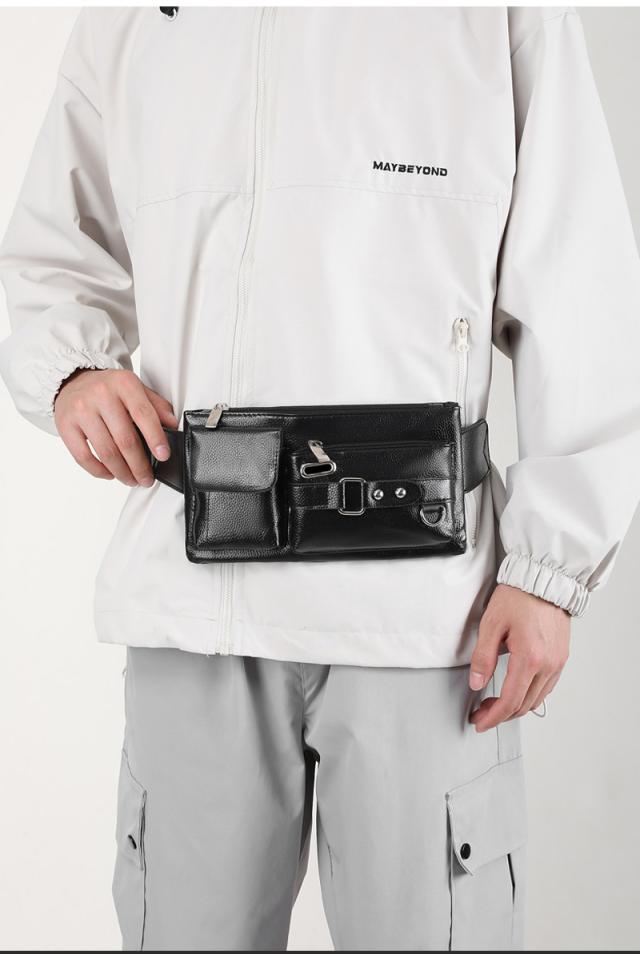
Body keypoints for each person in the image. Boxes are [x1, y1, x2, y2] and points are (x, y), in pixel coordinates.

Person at [1, 6, 639, 951]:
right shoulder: (137, 15)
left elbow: (580, 286)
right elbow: (54, 252)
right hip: (195, 603)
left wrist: (553, 570)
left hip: (428, 618)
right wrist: (73, 371)